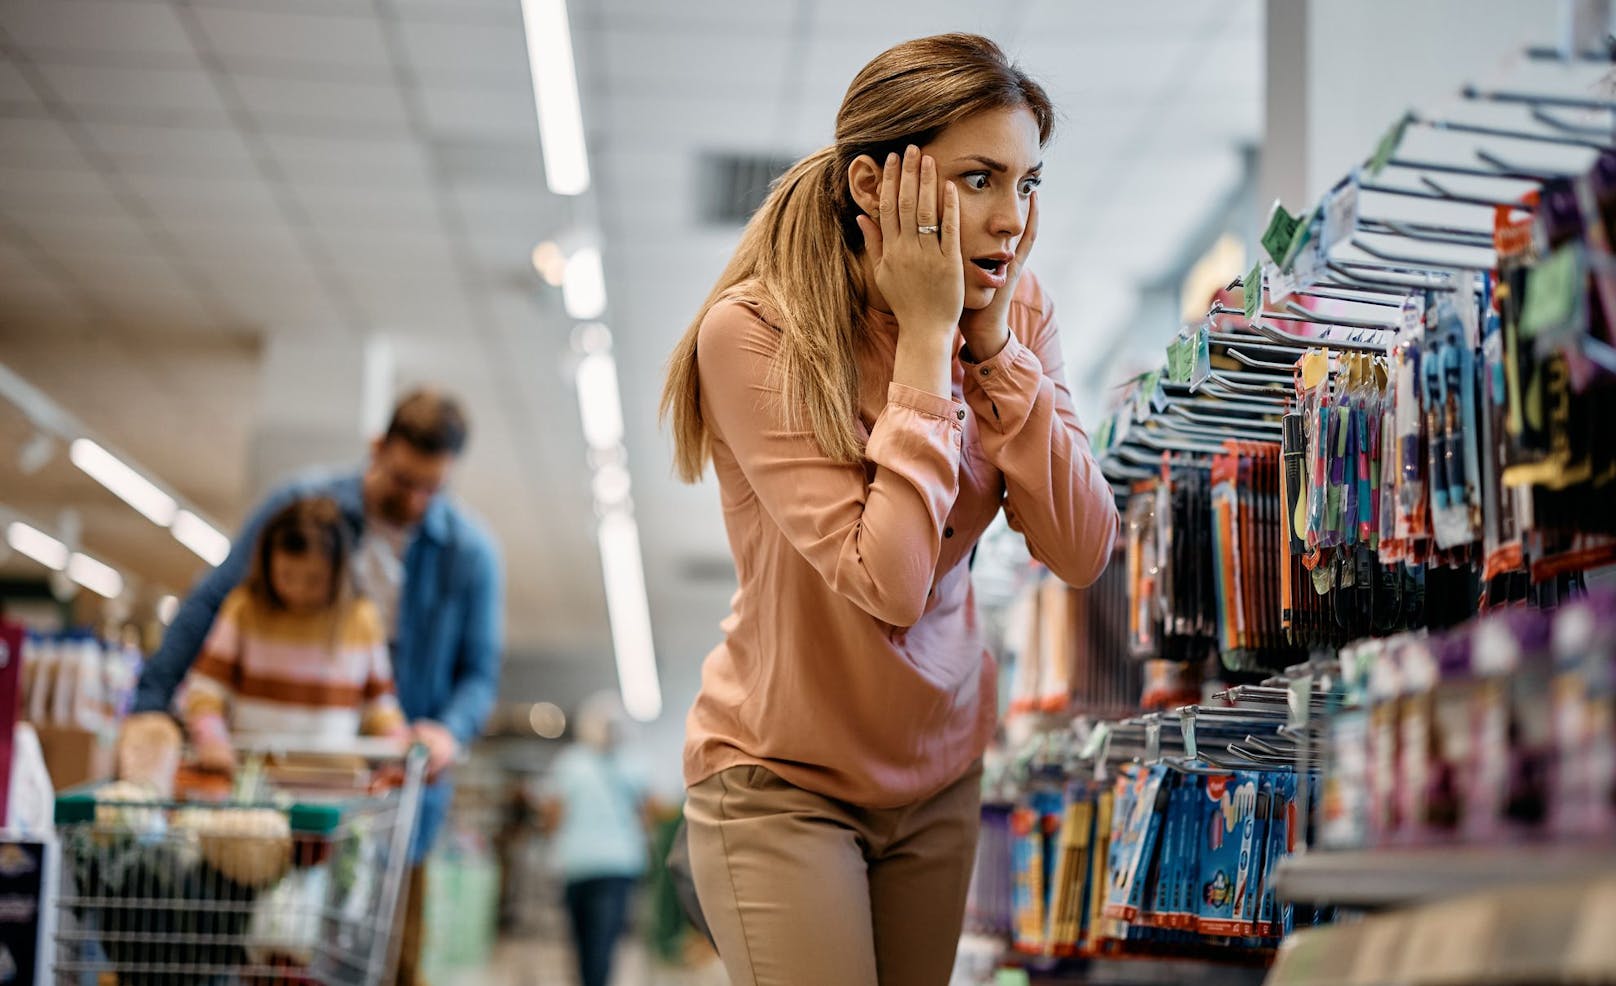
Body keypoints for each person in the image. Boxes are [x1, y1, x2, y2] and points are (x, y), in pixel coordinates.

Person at [659, 33, 1118, 986]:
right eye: (979, 179)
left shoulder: (1019, 311)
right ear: (873, 186)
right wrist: (927, 339)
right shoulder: (754, 332)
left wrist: (991, 352)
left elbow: (1082, 549)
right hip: (780, 777)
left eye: (1028, 184)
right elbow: (890, 583)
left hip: (941, 770)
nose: (1010, 222)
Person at [123, 388, 504, 986]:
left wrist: (445, 732)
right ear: (377, 448)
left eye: (432, 488)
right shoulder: (301, 510)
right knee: (251, 953)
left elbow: (478, 675)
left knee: (380, 959)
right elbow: (212, 604)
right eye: (403, 480)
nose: (415, 500)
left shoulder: (470, 553)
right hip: (267, 795)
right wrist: (148, 709)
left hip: (387, 800)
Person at [176, 496, 408, 771]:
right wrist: (211, 737)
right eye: (286, 576)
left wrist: (401, 742)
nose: (298, 590)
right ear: (267, 564)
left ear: (337, 573)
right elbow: (206, 691)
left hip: (334, 781)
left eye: (313, 580)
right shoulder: (245, 608)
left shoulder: (361, 618)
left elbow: (380, 708)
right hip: (253, 777)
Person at [540, 692, 649, 986]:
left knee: (583, 941)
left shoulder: (570, 763)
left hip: (579, 863)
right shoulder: (632, 765)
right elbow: (646, 814)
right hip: (618, 865)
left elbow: (552, 816)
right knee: (604, 942)